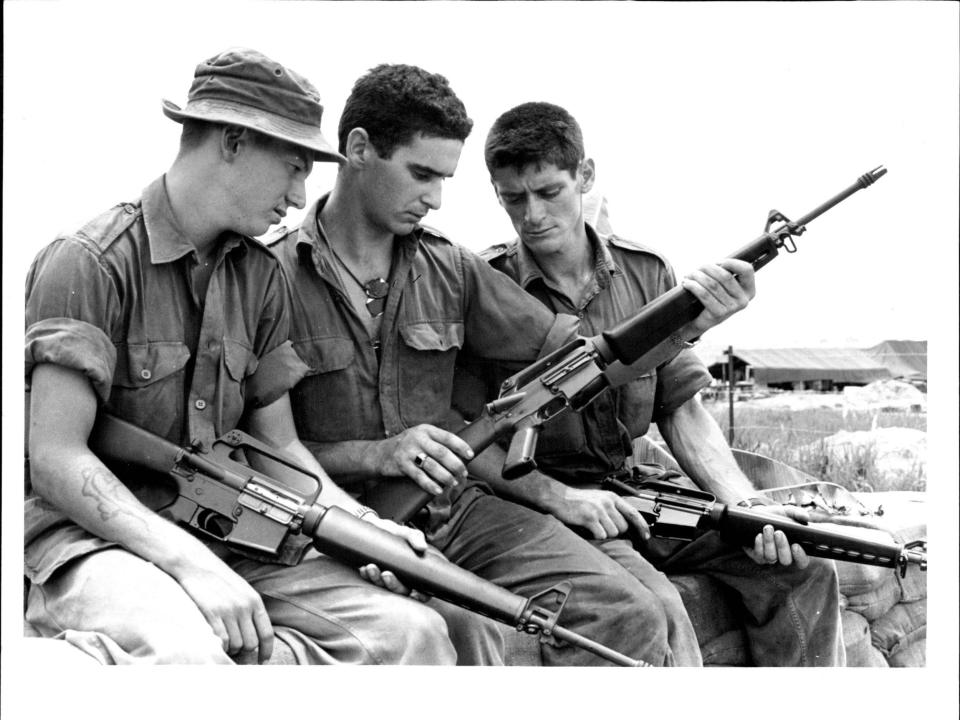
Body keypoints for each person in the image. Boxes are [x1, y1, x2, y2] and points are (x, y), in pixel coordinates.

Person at [23, 48, 503, 666]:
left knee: (414, 633)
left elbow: (280, 448)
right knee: (188, 656)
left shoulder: (258, 277)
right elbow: (56, 458)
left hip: (227, 529)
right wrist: (186, 563)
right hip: (94, 541)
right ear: (232, 142)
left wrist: (366, 529)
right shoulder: (90, 261)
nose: (302, 194)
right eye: (294, 167)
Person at [272, 63, 757, 666]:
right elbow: (243, 445)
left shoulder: (449, 268)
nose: (436, 197)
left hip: (461, 510)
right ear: (360, 150)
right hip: (331, 514)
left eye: (445, 178)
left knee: (625, 612)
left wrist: (692, 321)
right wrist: (375, 453)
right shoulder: (269, 278)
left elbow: (589, 359)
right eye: (421, 174)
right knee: (456, 634)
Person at [456, 100, 845, 666]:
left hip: (637, 492)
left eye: (549, 192)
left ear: (584, 176)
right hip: (550, 508)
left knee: (800, 566)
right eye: (513, 198)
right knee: (660, 613)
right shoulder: (482, 286)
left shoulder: (646, 274)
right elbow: (466, 437)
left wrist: (745, 503)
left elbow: (681, 410)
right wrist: (557, 497)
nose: (533, 215)